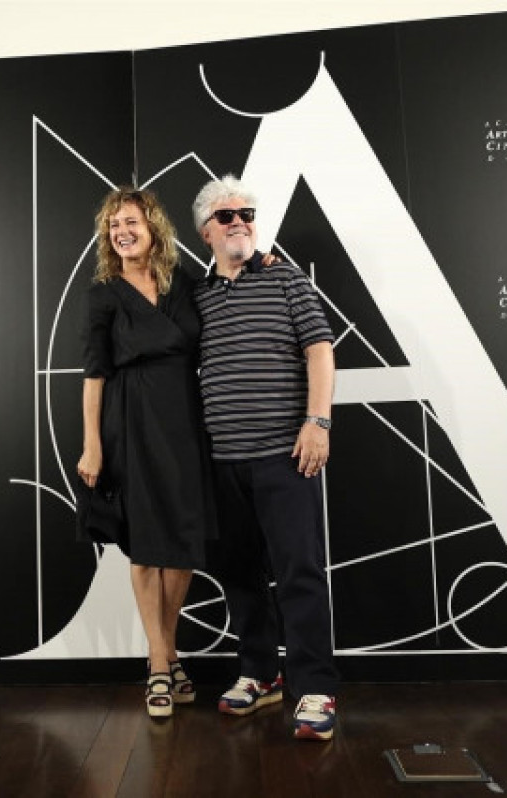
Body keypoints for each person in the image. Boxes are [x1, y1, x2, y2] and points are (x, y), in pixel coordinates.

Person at [191, 175, 339, 741]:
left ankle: (315, 687)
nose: (240, 223)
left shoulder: (286, 278)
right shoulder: (197, 296)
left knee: (300, 572)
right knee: (240, 574)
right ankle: (259, 672)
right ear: (206, 231)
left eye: (247, 214)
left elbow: (319, 350)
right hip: (221, 461)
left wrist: (318, 422)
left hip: (286, 455)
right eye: (226, 216)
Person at [76, 187, 216, 718]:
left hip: (184, 420)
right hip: (129, 422)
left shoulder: (186, 283)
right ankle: (160, 663)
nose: (122, 232)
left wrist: (261, 262)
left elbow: (228, 291)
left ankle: (167, 649)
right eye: (114, 225)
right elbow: (94, 375)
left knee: (180, 544)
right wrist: (92, 445)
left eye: (130, 221)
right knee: (146, 545)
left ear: (153, 226)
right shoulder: (103, 294)